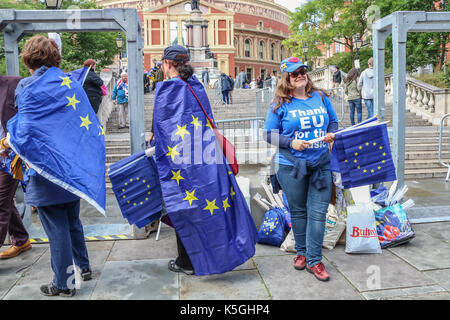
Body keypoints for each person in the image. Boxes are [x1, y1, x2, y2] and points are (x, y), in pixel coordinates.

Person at [146, 44, 258, 276]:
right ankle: (211, 255)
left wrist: (153, 137)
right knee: (208, 208)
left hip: (181, 163)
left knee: (182, 206)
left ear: (166, 64)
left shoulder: (167, 89)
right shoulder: (195, 85)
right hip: (207, 159)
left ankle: (186, 262)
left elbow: (163, 127)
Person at [8, 35, 92, 297]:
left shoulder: (27, 87)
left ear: (28, 58)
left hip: (45, 170)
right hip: (71, 166)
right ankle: (84, 267)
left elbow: (25, 131)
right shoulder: (69, 84)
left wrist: (8, 140)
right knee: (72, 220)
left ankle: (64, 284)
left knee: (56, 229)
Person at [263, 57, 338, 282]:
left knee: (318, 213)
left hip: (320, 165)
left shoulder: (321, 97)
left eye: (303, 71)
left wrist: (332, 135)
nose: (300, 76)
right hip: (291, 167)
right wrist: (291, 142)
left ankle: (315, 260)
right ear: (286, 77)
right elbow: (268, 134)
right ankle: (302, 252)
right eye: (294, 73)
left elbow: (333, 122)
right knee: (298, 212)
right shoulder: (279, 104)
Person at [0, 75, 31, 260]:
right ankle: (21, 240)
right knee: (5, 201)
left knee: (0, 202)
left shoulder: (14, 83)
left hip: (11, 156)